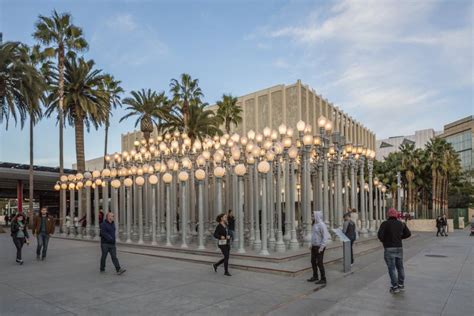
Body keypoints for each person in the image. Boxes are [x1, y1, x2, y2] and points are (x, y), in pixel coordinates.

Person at [378, 208, 411, 294]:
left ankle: (395, 287)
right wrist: (400, 238)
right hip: (399, 248)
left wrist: (385, 241)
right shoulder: (401, 224)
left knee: (391, 268)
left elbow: (380, 236)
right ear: (396, 215)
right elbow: (408, 234)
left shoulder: (385, 224)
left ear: (388, 215)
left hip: (389, 248)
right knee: (400, 267)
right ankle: (401, 284)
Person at [307, 211, 330, 285]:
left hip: (319, 247)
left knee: (319, 263)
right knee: (313, 261)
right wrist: (311, 244)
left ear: (317, 216)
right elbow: (313, 235)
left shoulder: (322, 225)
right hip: (314, 246)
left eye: (313, 216)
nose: (312, 217)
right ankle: (315, 276)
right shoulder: (314, 224)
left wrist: (322, 247)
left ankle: (323, 278)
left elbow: (325, 237)